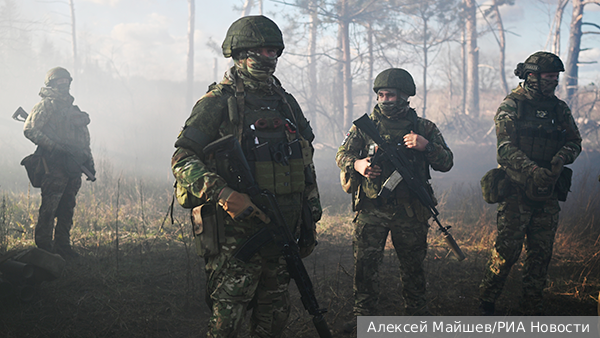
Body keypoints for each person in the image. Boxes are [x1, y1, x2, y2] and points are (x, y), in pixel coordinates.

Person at [171, 15, 321, 337]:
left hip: (282, 232)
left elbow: (305, 161)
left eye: (274, 52)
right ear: (240, 55)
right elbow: (182, 158)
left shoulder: (287, 104)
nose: (269, 59)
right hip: (239, 238)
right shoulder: (217, 103)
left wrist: (310, 215)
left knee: (274, 319)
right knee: (228, 320)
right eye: (261, 51)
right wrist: (224, 194)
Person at [336, 68, 453, 330]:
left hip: (410, 212)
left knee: (413, 266)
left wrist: (427, 146)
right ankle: (362, 318)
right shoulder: (364, 127)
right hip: (371, 208)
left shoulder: (424, 127)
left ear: (404, 96)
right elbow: (341, 154)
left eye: (391, 95)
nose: (385, 100)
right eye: (381, 95)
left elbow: (447, 162)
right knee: (365, 265)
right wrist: (358, 165)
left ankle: (417, 315)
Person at [478, 51, 582, 316]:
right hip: (516, 190)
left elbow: (574, 142)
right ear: (532, 77)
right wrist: (533, 169)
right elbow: (504, 149)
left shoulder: (559, 109)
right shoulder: (512, 105)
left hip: (547, 192)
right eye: (549, 77)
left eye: (556, 78)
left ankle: (531, 307)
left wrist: (560, 158)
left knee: (540, 254)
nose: (554, 82)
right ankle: (487, 299)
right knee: (507, 252)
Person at [23, 67, 95, 259]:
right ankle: (44, 249)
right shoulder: (46, 105)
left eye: (66, 82)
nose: (63, 85)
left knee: (67, 207)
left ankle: (63, 246)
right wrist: (54, 146)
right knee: (49, 208)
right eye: (59, 82)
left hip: (72, 167)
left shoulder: (73, 110)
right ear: (51, 84)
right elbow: (30, 130)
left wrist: (89, 161)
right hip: (53, 166)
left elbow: (84, 139)